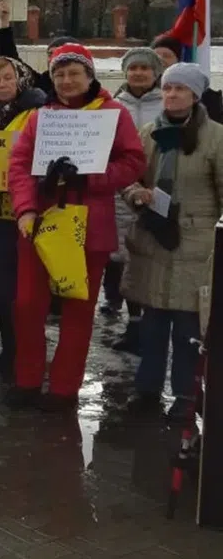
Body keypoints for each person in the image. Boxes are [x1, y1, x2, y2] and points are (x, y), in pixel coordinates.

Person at [7, 43, 147, 411]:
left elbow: (133, 162)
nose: (67, 81)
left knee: (77, 311)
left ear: (89, 76)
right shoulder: (41, 117)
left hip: (90, 226)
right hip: (41, 224)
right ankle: (27, 380)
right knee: (27, 305)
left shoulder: (113, 114)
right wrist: (25, 208)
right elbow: (19, 165)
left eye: (74, 73)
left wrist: (91, 177)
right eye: (59, 74)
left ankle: (64, 388)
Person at [121, 63, 223, 418]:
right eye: (167, 88)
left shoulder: (216, 137)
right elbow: (130, 178)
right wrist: (136, 195)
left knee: (187, 329)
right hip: (153, 240)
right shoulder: (150, 132)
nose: (172, 95)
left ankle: (186, 395)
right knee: (152, 325)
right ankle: (147, 390)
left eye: (180, 89)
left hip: (196, 247)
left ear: (195, 95)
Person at [0, 56, 45, 377]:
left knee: (24, 290)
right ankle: (10, 351)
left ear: (21, 80)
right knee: (2, 288)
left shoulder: (35, 114)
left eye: (8, 78)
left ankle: (28, 355)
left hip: (23, 213)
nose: (2, 84)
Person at [104, 47, 164, 354]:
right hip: (121, 193)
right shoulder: (114, 107)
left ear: (156, 73)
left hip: (157, 192)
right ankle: (135, 324)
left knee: (151, 263)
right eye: (133, 68)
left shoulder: (166, 105)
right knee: (124, 260)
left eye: (145, 68)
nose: (139, 73)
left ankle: (153, 326)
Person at [151, 36, 223, 124]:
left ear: (178, 60)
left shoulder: (207, 97)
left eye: (166, 56)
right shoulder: (141, 89)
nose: (160, 59)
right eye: (155, 56)